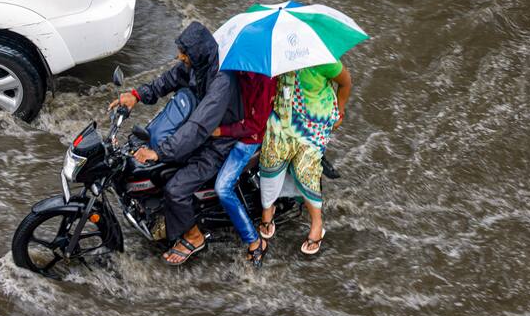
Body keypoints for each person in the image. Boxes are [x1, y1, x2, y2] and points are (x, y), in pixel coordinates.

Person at [109, 22, 242, 265]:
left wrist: (160, 153)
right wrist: (137, 95)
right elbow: (170, 78)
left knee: (176, 188)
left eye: (185, 53)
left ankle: (194, 236)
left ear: (199, 52)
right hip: (201, 128)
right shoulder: (198, 65)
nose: (181, 57)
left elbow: (199, 127)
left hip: (218, 142)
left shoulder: (221, 82)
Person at [258, 60, 352, 255]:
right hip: (284, 114)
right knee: (270, 156)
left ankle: (317, 224)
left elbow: (345, 83)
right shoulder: (280, 56)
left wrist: (340, 112)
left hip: (314, 122)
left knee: (304, 170)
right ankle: (268, 208)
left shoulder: (325, 60)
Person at [212, 71, 277, 266]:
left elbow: (256, 125)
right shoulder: (233, 71)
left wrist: (221, 131)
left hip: (249, 137)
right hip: (232, 126)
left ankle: (255, 241)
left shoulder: (266, 80)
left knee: (222, 188)